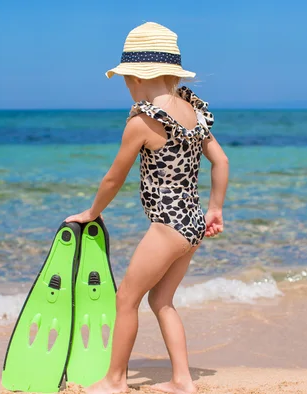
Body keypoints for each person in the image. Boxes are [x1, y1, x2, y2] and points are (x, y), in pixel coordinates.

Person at [65, 21, 229, 394]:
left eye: (125, 79)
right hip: (192, 225)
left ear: (136, 78)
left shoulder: (142, 121)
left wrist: (92, 212)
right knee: (162, 300)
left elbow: (113, 178)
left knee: (126, 298)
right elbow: (222, 162)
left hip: (167, 226)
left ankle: (115, 380)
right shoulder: (195, 113)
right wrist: (215, 209)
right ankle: (182, 381)